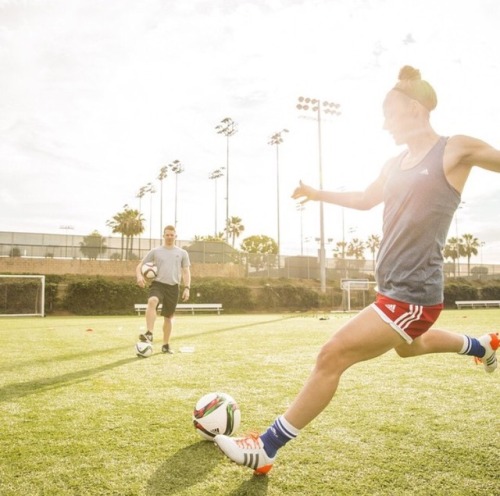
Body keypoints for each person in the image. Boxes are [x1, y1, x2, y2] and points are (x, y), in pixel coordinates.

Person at [214, 65, 500, 475]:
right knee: (408, 347)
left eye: (390, 112)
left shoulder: (455, 149)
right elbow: (366, 199)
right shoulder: (394, 162)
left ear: (416, 110)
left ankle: (267, 447)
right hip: (393, 291)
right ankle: (483, 345)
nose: (383, 123)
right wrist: (316, 192)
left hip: (413, 294)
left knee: (332, 354)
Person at [136, 225, 191, 354]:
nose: (170, 237)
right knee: (152, 301)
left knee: (168, 317)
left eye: (172, 235)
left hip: (173, 287)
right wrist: (139, 276)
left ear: (175, 236)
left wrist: (187, 287)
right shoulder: (155, 251)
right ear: (163, 236)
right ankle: (149, 333)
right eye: (167, 234)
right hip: (158, 284)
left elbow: (186, 272)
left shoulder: (182, 253)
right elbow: (140, 265)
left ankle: (165, 345)